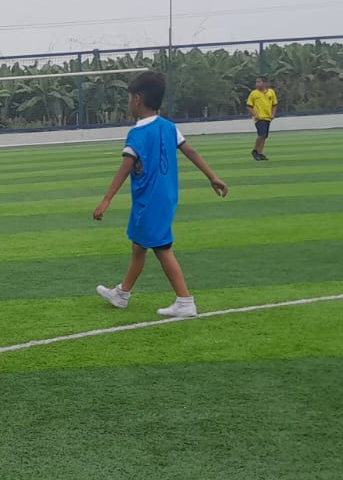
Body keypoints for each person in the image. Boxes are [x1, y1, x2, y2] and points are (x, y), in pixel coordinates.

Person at [93, 71, 228, 317]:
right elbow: (191, 151)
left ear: (137, 99)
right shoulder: (169, 127)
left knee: (161, 248)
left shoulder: (138, 133)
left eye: (129, 99)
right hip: (165, 196)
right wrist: (212, 176)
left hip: (149, 201)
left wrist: (106, 200)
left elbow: (125, 167)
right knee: (139, 245)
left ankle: (185, 301)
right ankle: (122, 294)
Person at [246, 76, 278, 161]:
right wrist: (255, 115)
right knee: (261, 135)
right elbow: (249, 106)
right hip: (259, 118)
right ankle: (255, 150)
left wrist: (273, 114)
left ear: (264, 83)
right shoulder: (254, 93)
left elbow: (274, 104)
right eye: (256, 82)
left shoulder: (271, 92)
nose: (257, 84)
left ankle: (260, 153)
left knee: (264, 136)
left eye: (259, 82)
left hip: (268, 117)